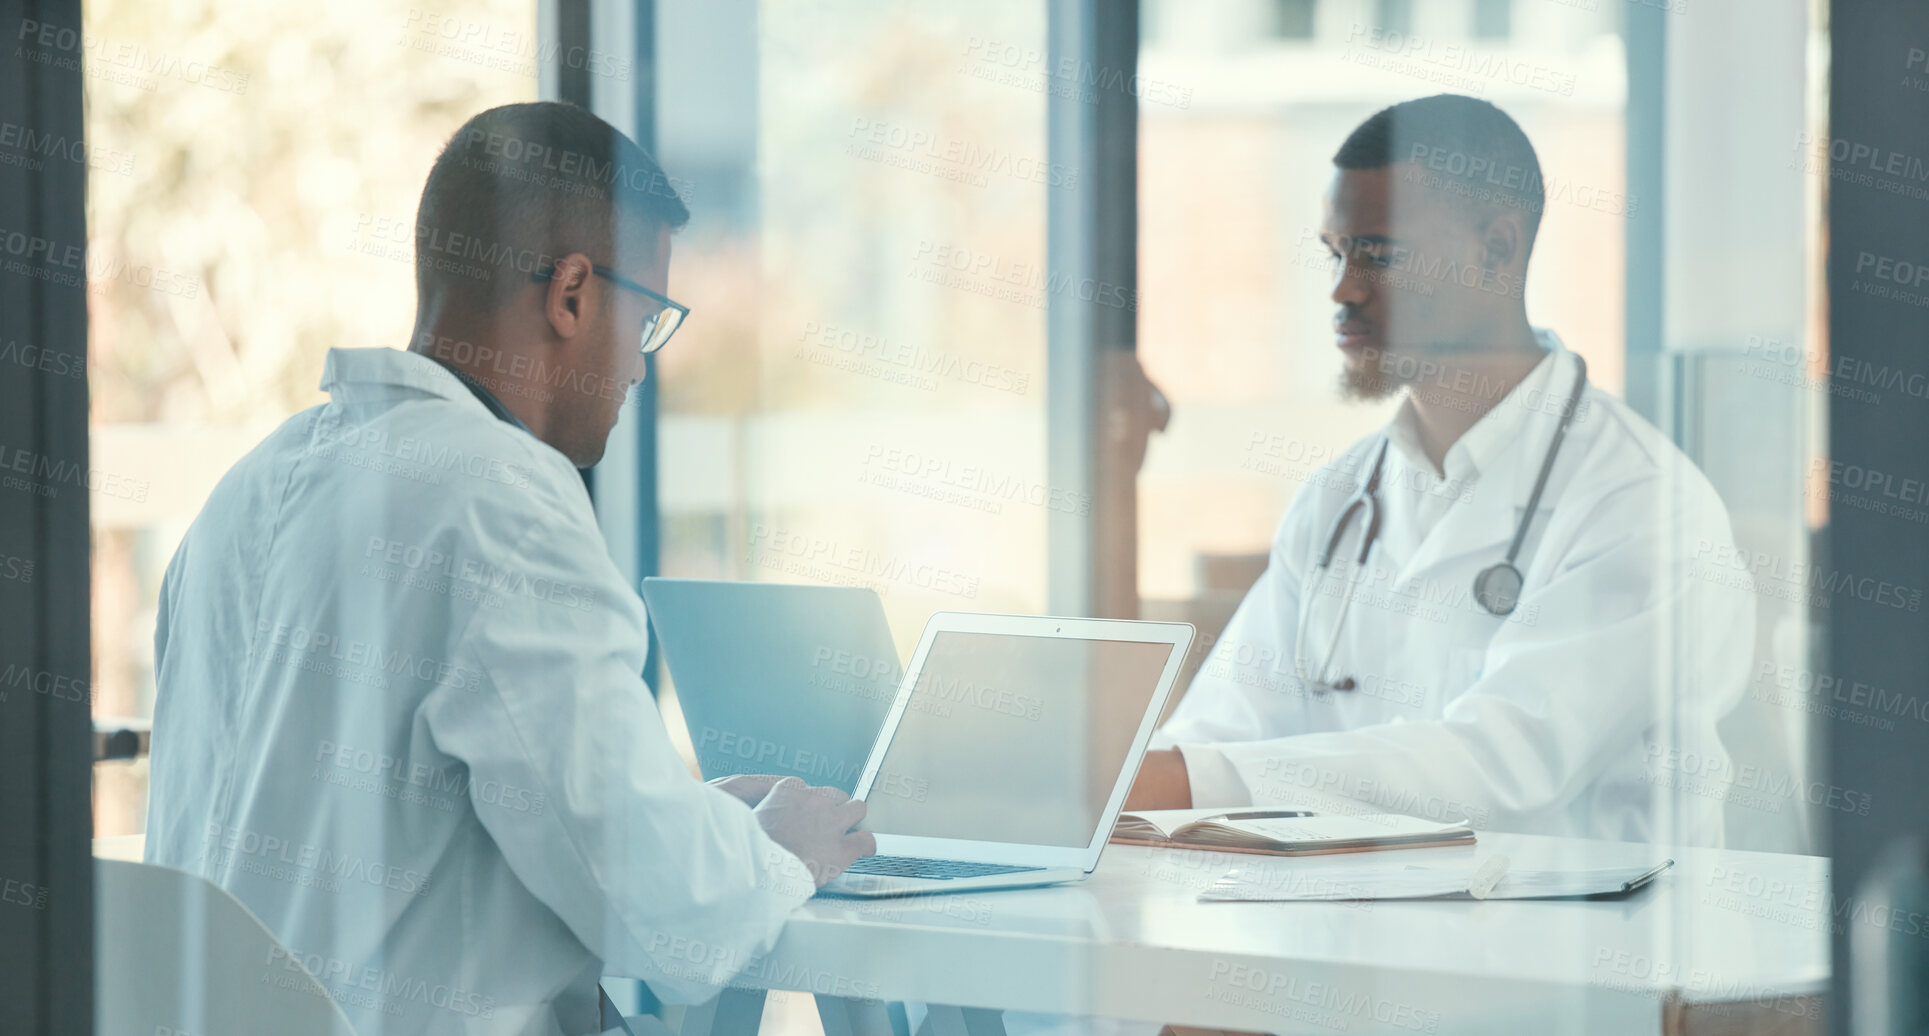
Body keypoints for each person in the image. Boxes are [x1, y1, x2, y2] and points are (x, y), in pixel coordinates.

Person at [145, 102, 873, 1036]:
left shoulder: (247, 489)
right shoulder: (502, 499)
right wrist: (775, 850)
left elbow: (408, 818)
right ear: (571, 294)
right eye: (646, 321)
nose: (641, 372)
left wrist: (684, 821)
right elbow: (672, 919)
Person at [1125, 94, 1756, 847]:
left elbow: (1502, 768)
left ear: (1495, 249)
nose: (1342, 290)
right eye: (1335, 253)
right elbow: (1215, 735)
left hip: (1590, 950)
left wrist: (1182, 781)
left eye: (1379, 254)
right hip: (1359, 947)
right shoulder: (1337, 503)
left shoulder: (1640, 502)